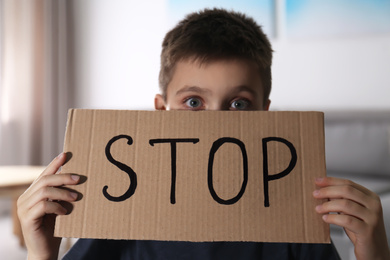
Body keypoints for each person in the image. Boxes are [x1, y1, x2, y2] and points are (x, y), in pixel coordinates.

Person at [17, 8, 390, 260]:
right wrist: (41, 254)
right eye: (194, 102)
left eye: (238, 104)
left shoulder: (296, 223)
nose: (216, 122)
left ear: (265, 114)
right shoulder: (121, 209)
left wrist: (374, 252)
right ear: (162, 111)